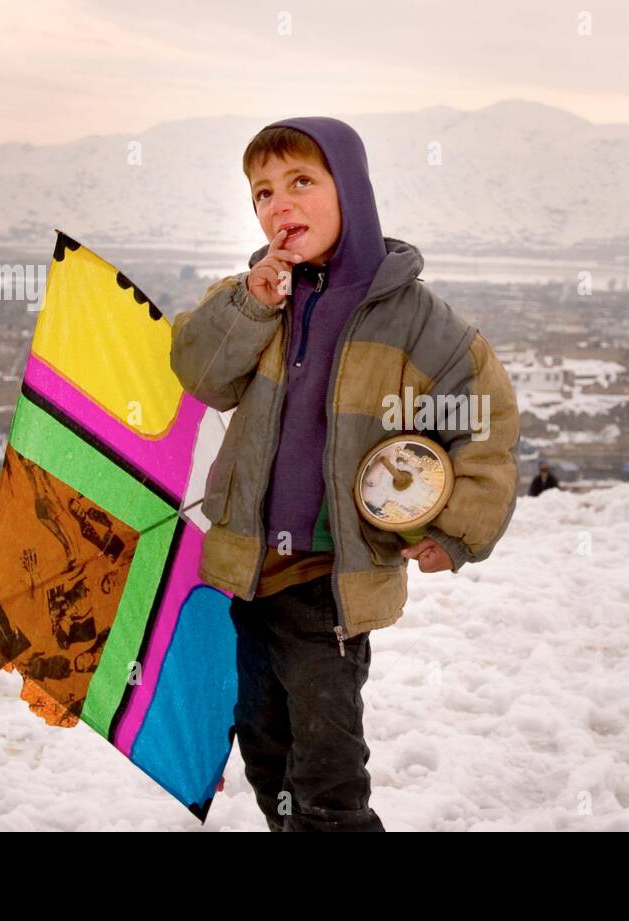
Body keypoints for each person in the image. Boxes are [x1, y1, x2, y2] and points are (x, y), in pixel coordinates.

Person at [169, 117, 520, 831]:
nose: (279, 204)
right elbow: (198, 371)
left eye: (301, 182)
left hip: (327, 587)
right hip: (246, 576)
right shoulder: (259, 296)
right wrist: (249, 303)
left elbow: (482, 423)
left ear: (351, 194)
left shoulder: (421, 324)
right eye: (263, 192)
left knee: (328, 774)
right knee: (267, 756)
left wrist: (454, 531)